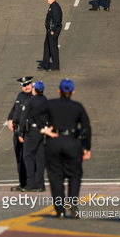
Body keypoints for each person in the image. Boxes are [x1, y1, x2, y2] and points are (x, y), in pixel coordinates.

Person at [41, 79, 91, 218]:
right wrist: (87, 148)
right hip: (71, 142)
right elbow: (86, 128)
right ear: (72, 92)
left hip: (54, 142)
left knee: (55, 177)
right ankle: (73, 202)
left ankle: (60, 209)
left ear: (59, 91)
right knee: (75, 175)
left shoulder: (50, 104)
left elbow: (33, 114)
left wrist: (45, 130)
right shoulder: (77, 107)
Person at [19, 81, 48, 192]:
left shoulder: (30, 101)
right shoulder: (45, 100)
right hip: (43, 131)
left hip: (32, 132)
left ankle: (30, 183)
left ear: (34, 89)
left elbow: (23, 118)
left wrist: (21, 133)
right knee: (40, 158)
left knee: (28, 156)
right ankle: (40, 184)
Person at [7, 76, 34, 191]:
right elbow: (14, 109)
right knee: (19, 158)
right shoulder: (20, 96)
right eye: (24, 85)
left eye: (28, 84)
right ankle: (22, 183)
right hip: (17, 130)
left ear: (32, 84)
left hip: (27, 131)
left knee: (28, 158)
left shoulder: (34, 97)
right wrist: (9, 119)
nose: (26, 87)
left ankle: (30, 183)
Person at [39, 0, 62, 71]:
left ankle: (56, 66)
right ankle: (45, 64)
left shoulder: (55, 7)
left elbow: (56, 20)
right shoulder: (52, 6)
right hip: (49, 29)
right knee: (47, 46)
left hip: (53, 30)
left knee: (53, 47)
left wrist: (53, 30)